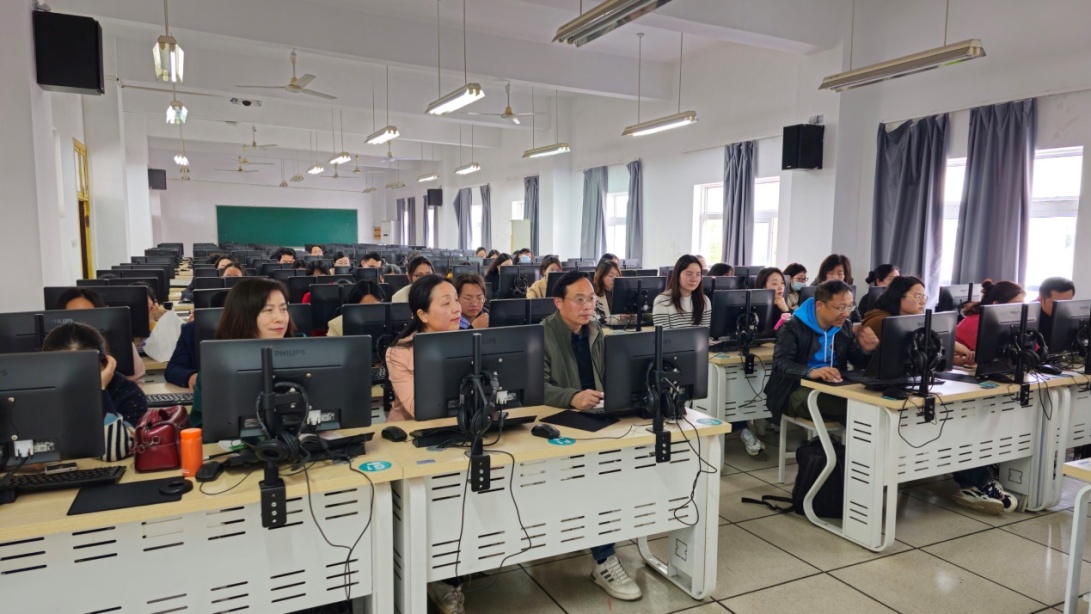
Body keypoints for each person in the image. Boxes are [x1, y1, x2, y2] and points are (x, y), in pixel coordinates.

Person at [539, 270, 644, 602]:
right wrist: (571, 397)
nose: (588, 306)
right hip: (559, 421)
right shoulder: (541, 335)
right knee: (598, 480)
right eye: (579, 300)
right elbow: (534, 386)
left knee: (625, 471)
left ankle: (606, 541)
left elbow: (612, 373)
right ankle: (604, 558)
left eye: (591, 300)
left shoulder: (596, 331)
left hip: (598, 415)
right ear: (558, 302)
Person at [765, 280, 878, 426]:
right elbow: (780, 364)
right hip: (794, 390)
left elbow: (858, 360)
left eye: (850, 307)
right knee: (857, 408)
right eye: (841, 307)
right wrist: (810, 371)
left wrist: (868, 350)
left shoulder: (844, 327)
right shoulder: (792, 327)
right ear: (820, 305)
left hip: (834, 387)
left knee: (869, 403)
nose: (846, 313)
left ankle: (844, 441)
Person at [189, 278, 296, 427]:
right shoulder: (218, 367)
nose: (280, 318)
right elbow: (203, 427)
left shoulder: (304, 355)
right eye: (268, 310)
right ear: (244, 316)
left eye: (283, 309)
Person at [385, 275, 462, 422]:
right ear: (423, 315)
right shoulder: (400, 353)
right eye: (446, 303)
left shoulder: (467, 342)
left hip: (459, 425)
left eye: (456, 300)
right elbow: (419, 409)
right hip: (411, 430)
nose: (457, 308)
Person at [43, 322, 148, 425]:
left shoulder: (127, 394)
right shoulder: (40, 392)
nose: (72, 377)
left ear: (102, 364)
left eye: (82, 367)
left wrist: (100, 389)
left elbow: (116, 437)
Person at [861, 276, 976, 366]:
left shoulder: (907, 320)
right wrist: (950, 345)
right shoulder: (880, 320)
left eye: (923, 297)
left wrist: (954, 359)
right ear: (898, 296)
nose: (923, 302)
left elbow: (915, 354)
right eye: (918, 296)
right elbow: (906, 351)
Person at [56, 288, 147, 384]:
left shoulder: (122, 344)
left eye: (88, 316)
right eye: (74, 317)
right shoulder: (53, 349)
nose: (81, 323)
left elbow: (137, 383)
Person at [955, 280, 1026, 351]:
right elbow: (988, 352)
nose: (1021, 308)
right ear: (996, 305)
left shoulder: (1001, 321)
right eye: (1017, 304)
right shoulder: (978, 323)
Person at [652, 255, 710, 328]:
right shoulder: (662, 301)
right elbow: (663, 334)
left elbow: (705, 332)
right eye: (689, 274)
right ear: (677, 275)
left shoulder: (704, 301)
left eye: (698, 275)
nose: (694, 279)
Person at [592, 258, 627, 326]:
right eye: (611, 276)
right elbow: (593, 318)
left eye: (617, 275)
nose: (615, 279)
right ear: (601, 277)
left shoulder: (624, 294)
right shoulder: (593, 296)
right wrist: (619, 318)